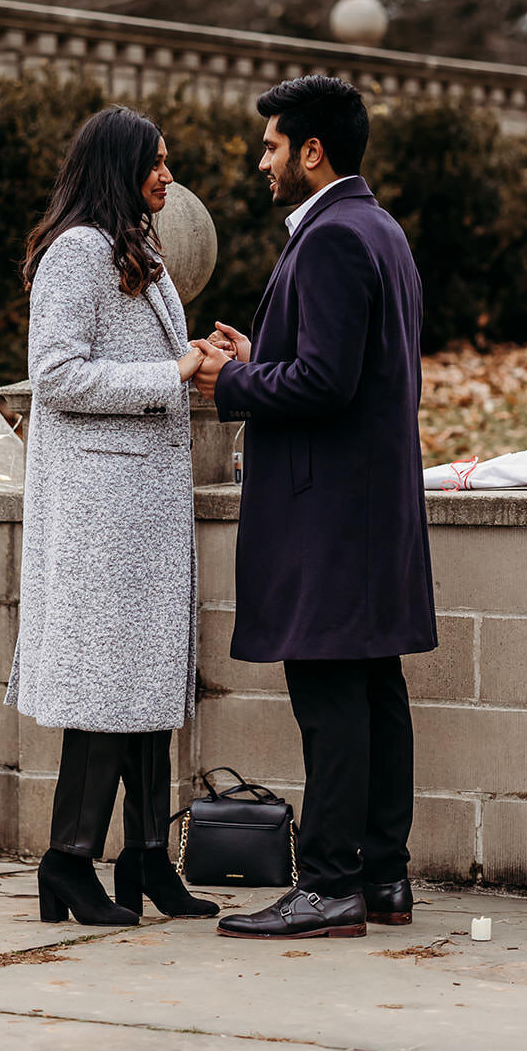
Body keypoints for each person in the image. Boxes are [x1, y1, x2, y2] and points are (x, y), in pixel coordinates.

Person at [192, 74, 437, 940]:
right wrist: (266, 356)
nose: (260, 162)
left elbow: (327, 384)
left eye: (269, 147)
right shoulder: (380, 230)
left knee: (331, 699)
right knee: (374, 693)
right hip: (370, 511)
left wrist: (236, 379)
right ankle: (384, 879)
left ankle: (330, 886)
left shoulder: (332, 236)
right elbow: (353, 367)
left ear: (310, 151)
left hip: (327, 516)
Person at [6, 106, 217, 927]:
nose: (167, 174)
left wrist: (203, 361)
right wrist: (173, 373)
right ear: (117, 167)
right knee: (103, 693)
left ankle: (146, 861)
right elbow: (56, 376)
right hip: (100, 511)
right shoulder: (77, 252)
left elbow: (152, 364)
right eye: (155, 162)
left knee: (146, 691)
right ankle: (67, 860)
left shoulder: (142, 250)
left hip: (143, 511)